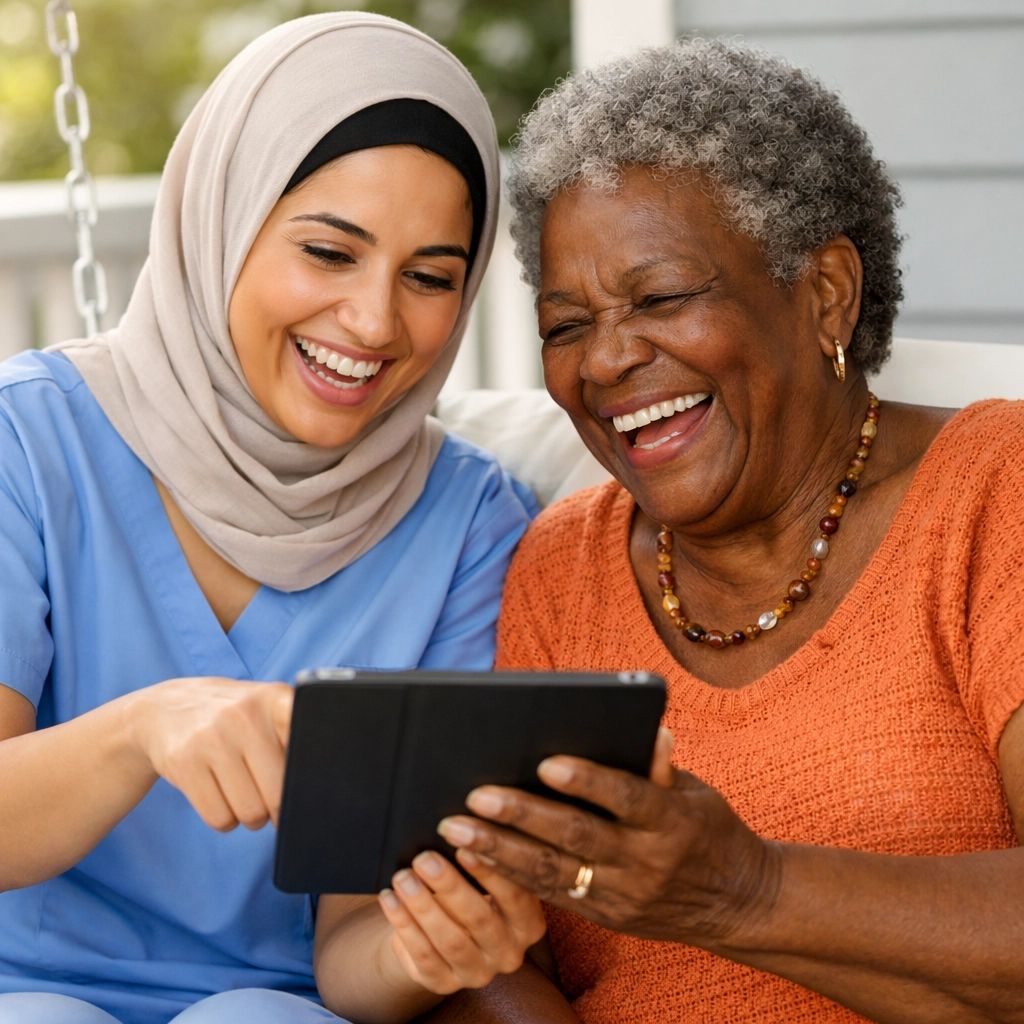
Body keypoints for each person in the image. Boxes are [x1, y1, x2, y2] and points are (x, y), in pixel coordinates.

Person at [431, 39, 1024, 1023]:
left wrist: (744, 892)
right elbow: (498, 952)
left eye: (660, 298)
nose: (606, 360)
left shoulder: (995, 491)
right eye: (566, 325)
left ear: (826, 292)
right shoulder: (560, 567)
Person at [0, 13, 545, 1024]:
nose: (375, 321)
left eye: (430, 276)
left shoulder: (470, 526)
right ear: (224, 220)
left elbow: (350, 951)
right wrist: (143, 730)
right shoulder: (26, 442)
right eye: (330, 252)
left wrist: (429, 947)